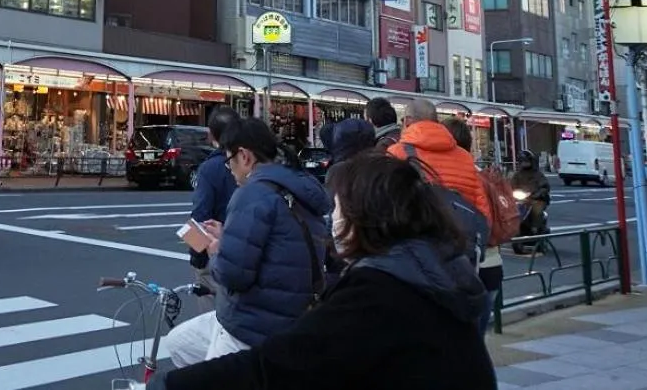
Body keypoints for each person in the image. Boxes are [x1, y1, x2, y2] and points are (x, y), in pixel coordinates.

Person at [159, 153, 497, 390]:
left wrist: (171, 385)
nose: (332, 219)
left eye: (338, 208)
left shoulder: (380, 294)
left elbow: (279, 368)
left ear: (364, 216)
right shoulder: (436, 269)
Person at [164, 118, 330, 367]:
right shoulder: (298, 185)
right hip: (290, 317)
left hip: (252, 324)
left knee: (195, 369)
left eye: (229, 160)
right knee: (179, 342)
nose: (228, 169)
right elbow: (278, 243)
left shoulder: (253, 193)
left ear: (245, 156)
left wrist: (215, 249)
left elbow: (233, 275)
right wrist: (228, 235)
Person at [388, 98, 493, 226]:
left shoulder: (396, 153)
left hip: (419, 236)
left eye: (403, 120)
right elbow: (480, 201)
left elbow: (388, 202)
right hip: (461, 236)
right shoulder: (465, 157)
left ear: (409, 121)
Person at [446, 118, 504, 333]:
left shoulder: (450, 178)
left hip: (466, 269)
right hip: (492, 266)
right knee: (477, 342)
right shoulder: (480, 175)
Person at [187, 107, 240, 301]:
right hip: (249, 251)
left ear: (211, 134)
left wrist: (196, 254)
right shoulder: (252, 162)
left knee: (213, 316)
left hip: (217, 251)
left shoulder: (210, 168)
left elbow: (200, 214)